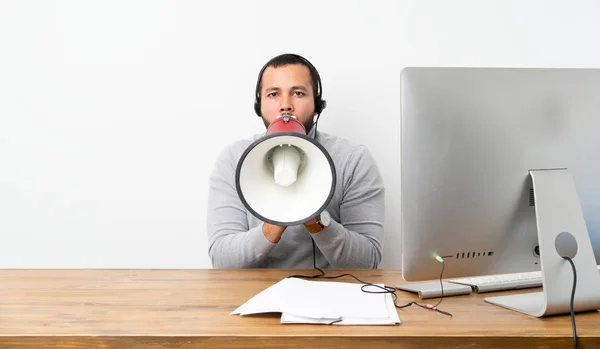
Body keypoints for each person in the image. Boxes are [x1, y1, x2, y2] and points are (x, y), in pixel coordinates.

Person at [207, 53, 384, 269]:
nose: (285, 106)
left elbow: (368, 263)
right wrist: (278, 215)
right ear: (258, 104)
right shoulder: (233, 159)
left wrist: (315, 218)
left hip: (331, 294)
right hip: (254, 295)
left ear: (317, 103)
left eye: (298, 93)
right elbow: (223, 261)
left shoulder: (353, 159)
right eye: (273, 94)